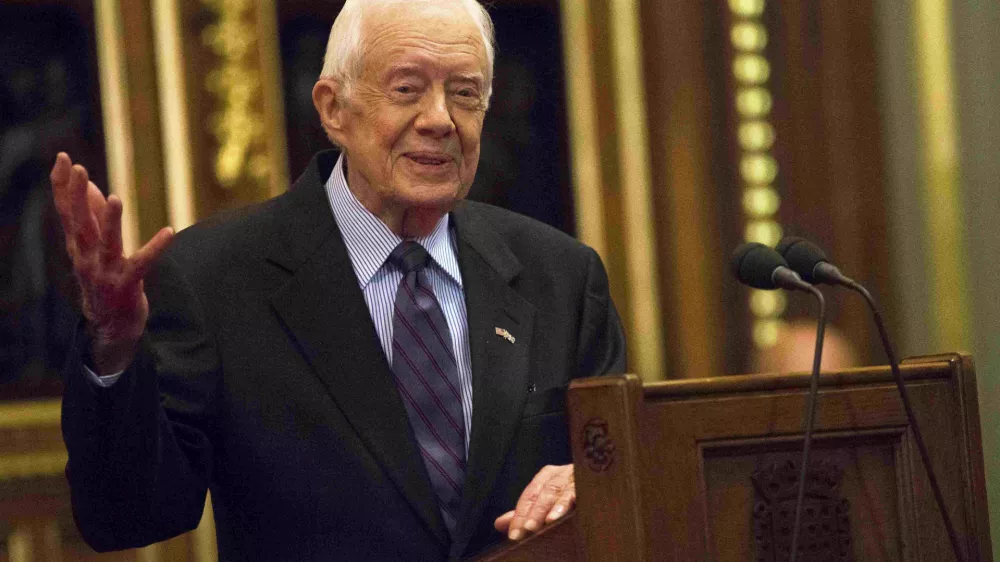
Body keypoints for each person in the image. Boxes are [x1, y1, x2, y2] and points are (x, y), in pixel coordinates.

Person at [53, 0, 626, 560]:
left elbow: (624, 464)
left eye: (465, 93)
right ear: (333, 109)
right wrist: (114, 346)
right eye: (407, 89)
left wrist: (592, 481)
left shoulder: (561, 277)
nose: (439, 120)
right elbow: (126, 515)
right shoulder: (215, 278)